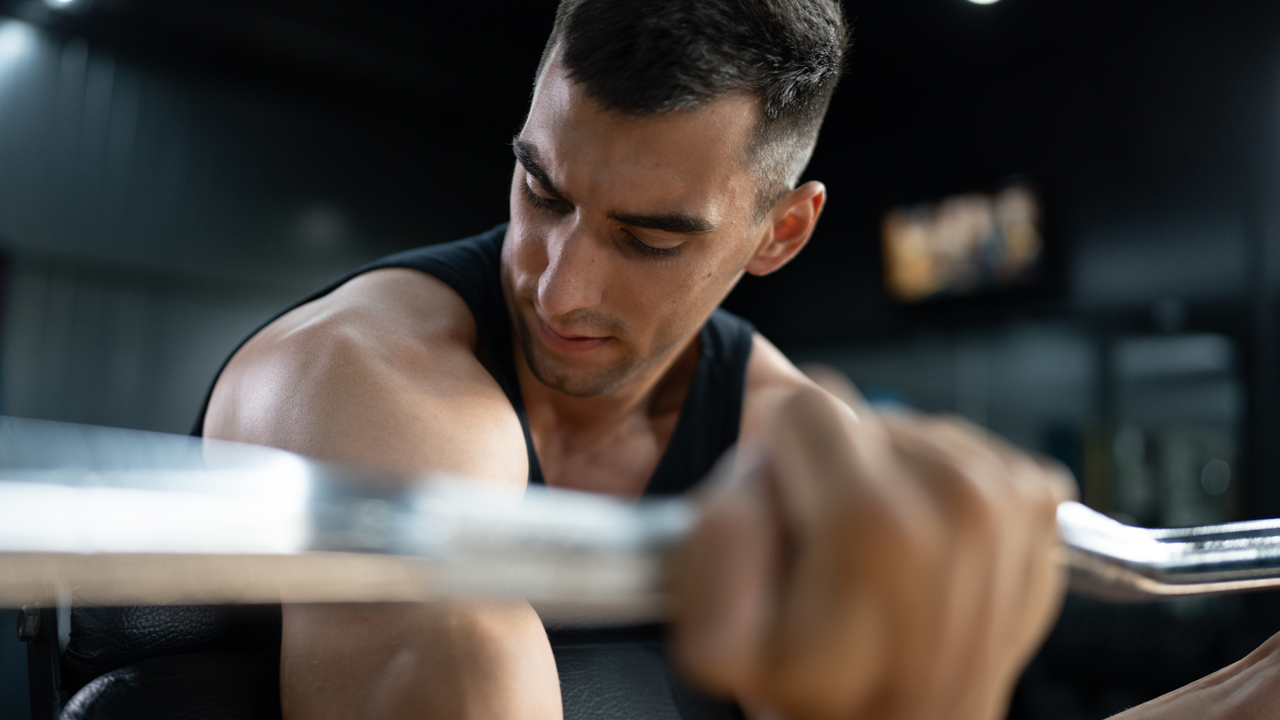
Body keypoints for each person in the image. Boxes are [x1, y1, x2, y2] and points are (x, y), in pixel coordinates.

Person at [196, 0, 1278, 718]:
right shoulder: (364, 377)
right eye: (543, 191)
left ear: (780, 234)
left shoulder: (785, 429)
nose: (559, 285)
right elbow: (459, 675)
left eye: (650, 236)